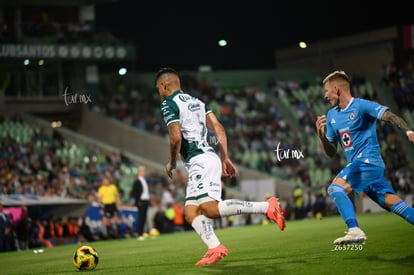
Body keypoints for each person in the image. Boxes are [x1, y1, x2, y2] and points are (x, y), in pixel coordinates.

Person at [155, 67, 285, 266]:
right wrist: (225, 157)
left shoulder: (168, 103)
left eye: (158, 89)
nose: (159, 93)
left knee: (210, 209)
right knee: (191, 212)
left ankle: (268, 207)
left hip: (200, 160)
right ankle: (214, 247)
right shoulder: (197, 102)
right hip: (205, 158)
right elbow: (218, 128)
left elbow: (175, 138)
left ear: (164, 85)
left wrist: (172, 161)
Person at [315, 70, 414, 245]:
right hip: (362, 168)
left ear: (336, 89)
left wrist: (408, 130)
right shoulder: (331, 115)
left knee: (335, 189)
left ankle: (354, 230)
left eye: (327, 91)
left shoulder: (361, 106)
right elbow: (331, 153)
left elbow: (389, 116)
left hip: (368, 162)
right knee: (394, 204)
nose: (325, 96)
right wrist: (321, 136)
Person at [129, 166, 151, 240]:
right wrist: (138, 201)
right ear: (139, 172)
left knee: (145, 218)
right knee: (141, 218)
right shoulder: (137, 181)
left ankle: (145, 233)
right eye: (143, 171)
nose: (144, 172)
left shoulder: (144, 180)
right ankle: (139, 234)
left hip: (146, 201)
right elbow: (135, 193)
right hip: (141, 201)